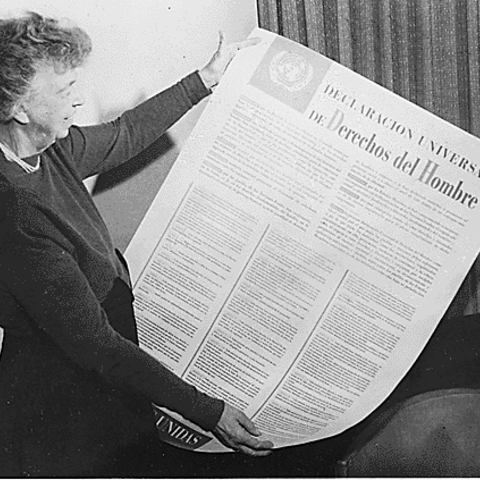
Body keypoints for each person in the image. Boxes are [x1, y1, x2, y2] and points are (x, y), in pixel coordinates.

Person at [0, 11, 273, 477]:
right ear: (20, 109)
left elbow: (125, 134)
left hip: (102, 356)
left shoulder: (49, 148)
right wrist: (209, 412)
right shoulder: (14, 211)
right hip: (64, 396)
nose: (80, 101)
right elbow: (98, 347)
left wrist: (204, 79)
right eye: (65, 91)